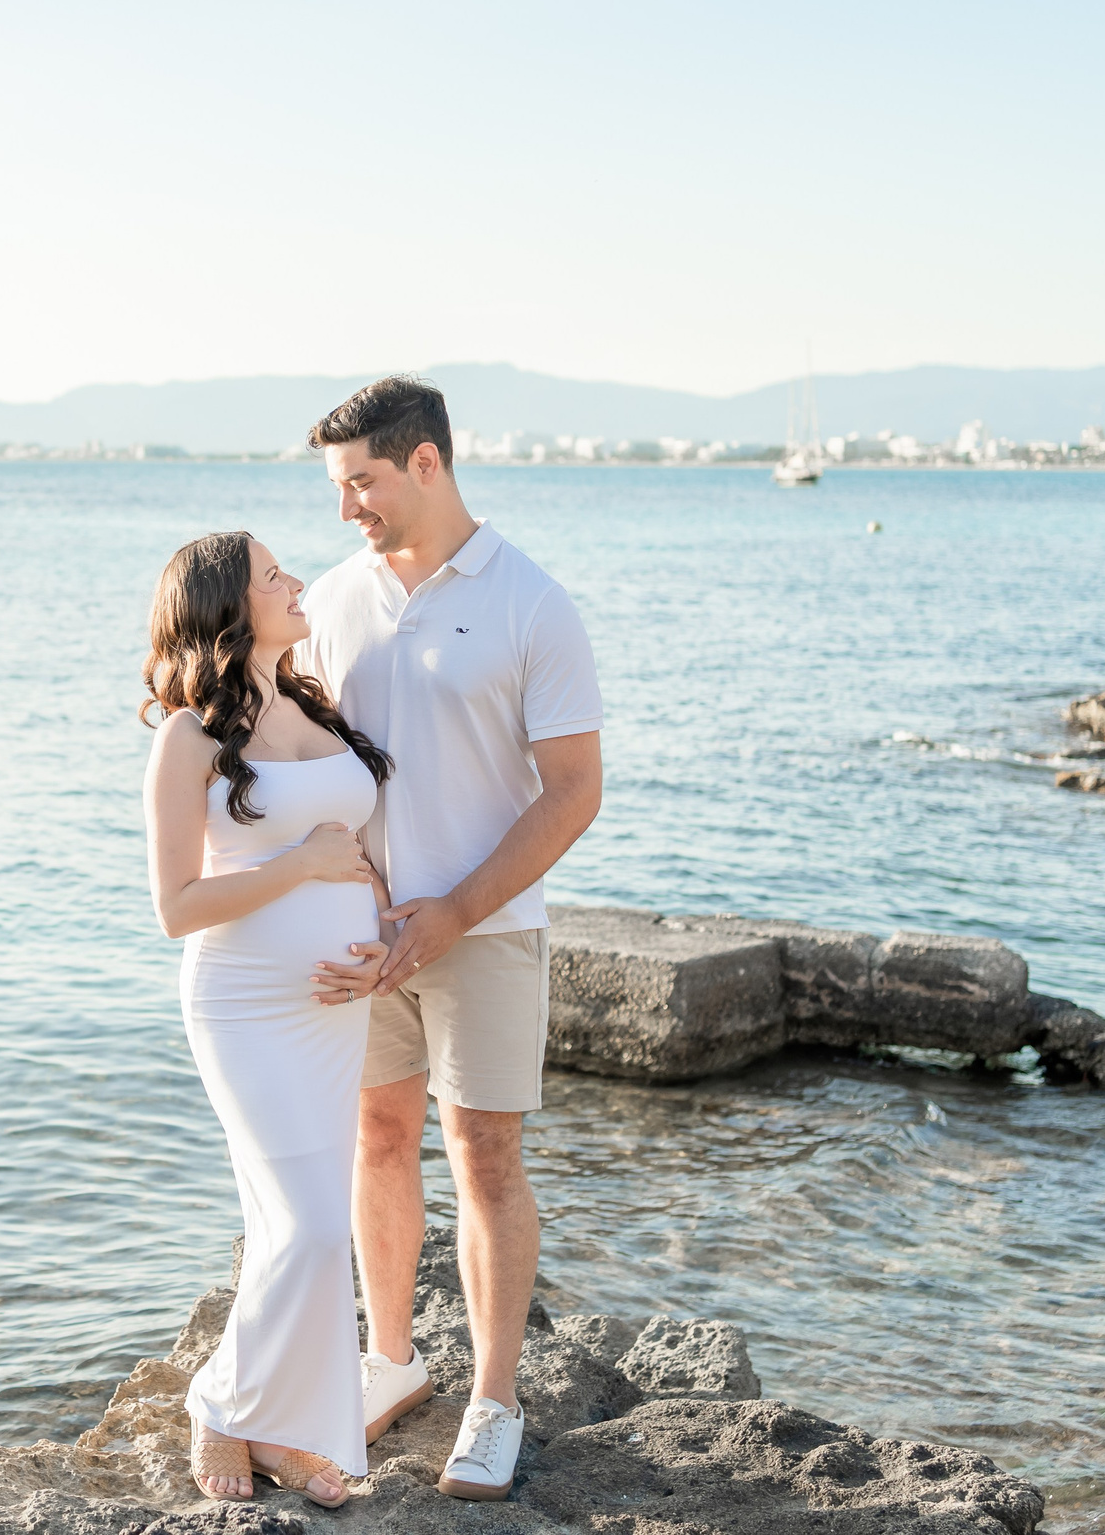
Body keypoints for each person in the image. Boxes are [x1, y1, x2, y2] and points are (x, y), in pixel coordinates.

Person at [296, 377, 604, 1502]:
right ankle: (391, 1360)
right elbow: (306, 761)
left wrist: (454, 912)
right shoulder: (331, 598)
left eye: (361, 483)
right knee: (377, 1138)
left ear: (425, 462)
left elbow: (573, 793)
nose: (348, 510)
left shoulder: (531, 601)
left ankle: (493, 1397)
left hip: (485, 931)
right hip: (360, 929)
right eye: (337, 489)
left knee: (484, 1156)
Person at [141, 531, 397, 1507]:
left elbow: (357, 849)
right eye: (273, 575)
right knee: (306, 1223)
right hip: (243, 1003)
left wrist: (379, 940)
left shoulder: (313, 700)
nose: (296, 583)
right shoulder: (188, 736)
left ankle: (284, 1428)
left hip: (333, 1003)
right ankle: (220, 1399)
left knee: (295, 1221)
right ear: (229, 607)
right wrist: (298, 868)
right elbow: (175, 907)